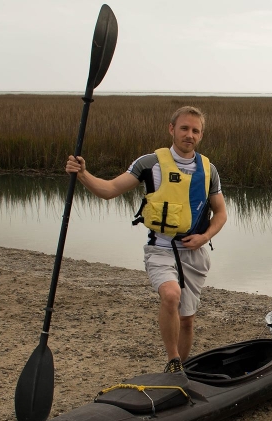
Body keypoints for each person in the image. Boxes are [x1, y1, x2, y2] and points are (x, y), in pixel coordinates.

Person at [64, 106, 228, 374]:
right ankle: (173, 359)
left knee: (187, 321)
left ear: (200, 135)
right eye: (184, 128)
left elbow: (220, 213)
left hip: (194, 252)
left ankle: (179, 371)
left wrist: (205, 237)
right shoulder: (150, 164)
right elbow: (110, 189)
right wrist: (82, 174)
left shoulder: (209, 170)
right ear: (171, 129)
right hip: (161, 249)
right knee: (170, 295)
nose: (189, 135)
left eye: (195, 131)